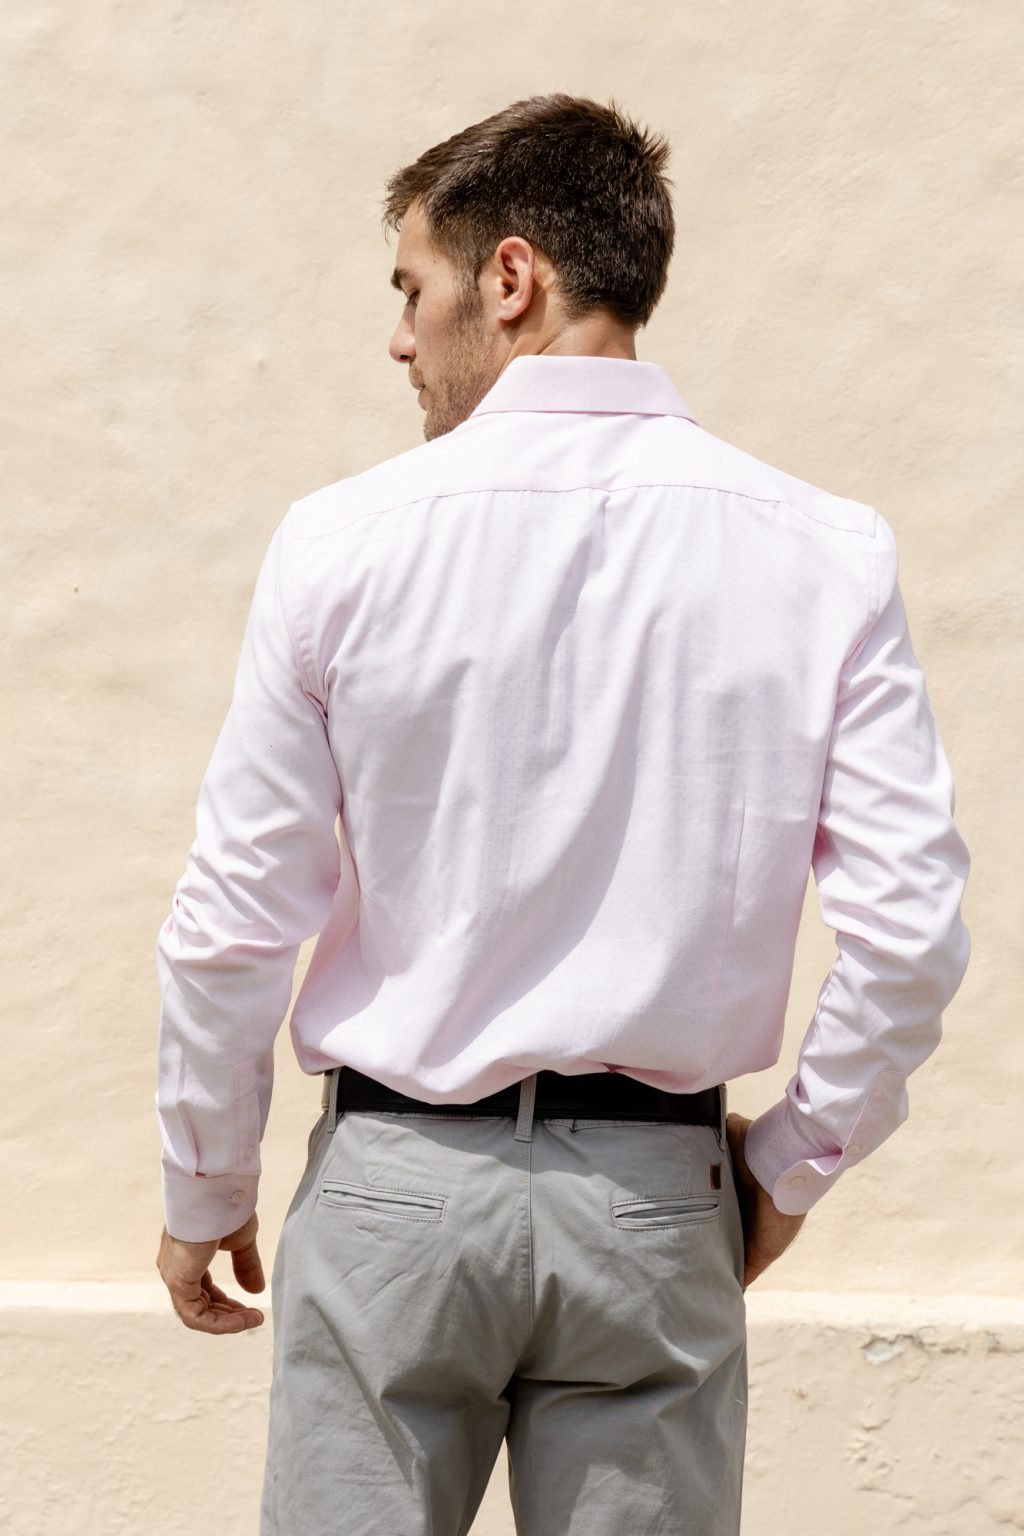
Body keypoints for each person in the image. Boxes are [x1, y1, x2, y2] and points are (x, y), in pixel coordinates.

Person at [154, 93, 971, 1535]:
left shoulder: (343, 544)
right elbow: (911, 935)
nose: (400, 339)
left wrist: (207, 1178)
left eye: (412, 290)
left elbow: (235, 918)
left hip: (398, 1194)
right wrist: (790, 1165)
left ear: (512, 279)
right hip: (656, 1203)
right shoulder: (823, 553)